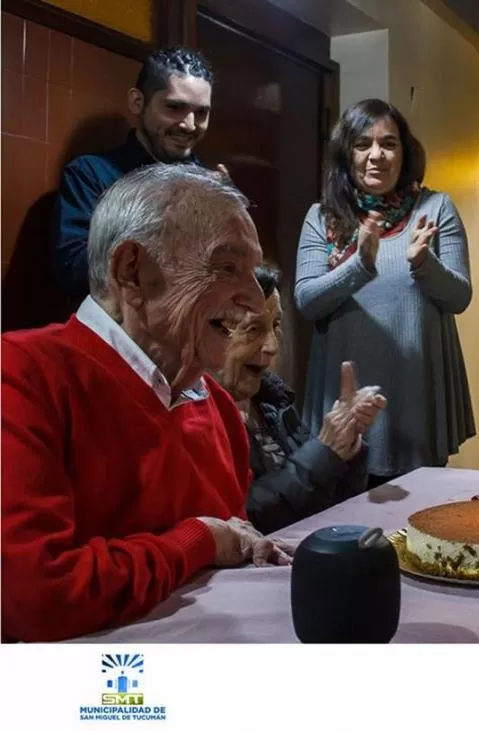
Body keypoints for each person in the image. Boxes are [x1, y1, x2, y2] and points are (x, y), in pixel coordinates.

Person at [1, 164, 288, 643]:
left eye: (254, 274)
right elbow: (37, 596)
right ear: (132, 271)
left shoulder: (216, 408)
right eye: (226, 267)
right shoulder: (22, 375)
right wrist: (196, 540)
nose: (257, 302)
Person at [295, 99, 475, 486]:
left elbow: (459, 297)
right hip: (342, 408)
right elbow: (307, 301)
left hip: (416, 405)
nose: (376, 155)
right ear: (347, 154)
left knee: (414, 534)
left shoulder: (435, 208)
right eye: (363, 144)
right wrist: (359, 264)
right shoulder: (322, 216)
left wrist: (425, 263)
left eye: (388, 143)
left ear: (404, 152)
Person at [214, 265, 388, 534]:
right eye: (253, 329)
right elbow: (242, 518)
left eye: (275, 326)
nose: (271, 346)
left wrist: (346, 448)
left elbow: (331, 501)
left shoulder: (274, 401)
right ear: (214, 333)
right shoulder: (196, 414)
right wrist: (323, 453)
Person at [53, 46, 223, 301]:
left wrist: (229, 216)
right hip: (115, 335)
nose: (189, 125)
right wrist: (176, 216)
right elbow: (73, 274)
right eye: (175, 107)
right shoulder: (91, 175)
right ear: (137, 102)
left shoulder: (213, 188)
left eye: (201, 113)